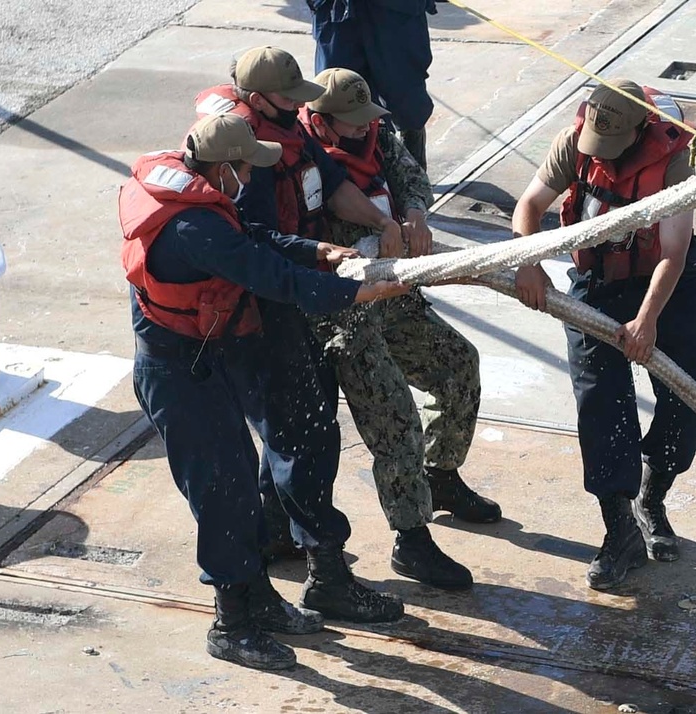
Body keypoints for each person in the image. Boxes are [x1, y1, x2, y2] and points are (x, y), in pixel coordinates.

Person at [120, 113, 409, 669]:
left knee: (235, 479)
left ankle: (259, 598)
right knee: (222, 491)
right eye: (246, 168)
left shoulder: (200, 199)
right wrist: (357, 294)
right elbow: (269, 277)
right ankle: (232, 625)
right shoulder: (191, 229)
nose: (252, 178)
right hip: (178, 374)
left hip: (204, 358)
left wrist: (314, 250)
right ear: (222, 167)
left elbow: (251, 238)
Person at [193, 46, 411, 585]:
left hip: (302, 285)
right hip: (270, 310)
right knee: (305, 433)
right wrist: (336, 282)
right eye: (289, 97)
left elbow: (334, 187)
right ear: (256, 97)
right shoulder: (242, 157)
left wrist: (383, 225)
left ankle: (273, 536)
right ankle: (326, 576)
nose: (298, 105)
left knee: (292, 431)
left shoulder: (290, 128)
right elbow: (259, 252)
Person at [299, 67, 500, 590]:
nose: (363, 129)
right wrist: (381, 224)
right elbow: (338, 196)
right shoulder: (302, 153)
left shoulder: (373, 131)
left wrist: (413, 214)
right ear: (321, 119)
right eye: (351, 122)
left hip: (395, 295)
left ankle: (442, 474)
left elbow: (409, 173)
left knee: (458, 364)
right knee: (395, 418)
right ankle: (411, 539)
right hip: (345, 312)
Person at [510, 80, 696, 591]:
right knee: (602, 401)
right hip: (596, 282)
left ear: (639, 128)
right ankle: (618, 526)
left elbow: (673, 250)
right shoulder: (575, 140)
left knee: (690, 392)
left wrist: (647, 321)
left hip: (664, 281)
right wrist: (528, 261)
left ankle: (654, 493)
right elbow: (529, 206)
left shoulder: (672, 160)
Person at [309, 0, 438, 169]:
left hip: (396, 15)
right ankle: (354, 174)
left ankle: (413, 175)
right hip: (338, 12)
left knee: (407, 98)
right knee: (338, 94)